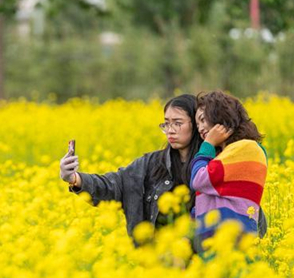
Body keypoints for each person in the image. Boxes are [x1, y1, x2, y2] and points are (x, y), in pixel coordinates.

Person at [59, 94, 203, 241]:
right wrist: (74, 178)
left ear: (197, 125)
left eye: (178, 123)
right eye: (166, 124)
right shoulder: (151, 164)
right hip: (153, 258)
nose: (170, 130)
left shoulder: (210, 167)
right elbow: (115, 185)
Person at [190, 91, 268, 254]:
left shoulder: (247, 148)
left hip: (233, 243)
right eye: (197, 125)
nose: (200, 129)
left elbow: (198, 179)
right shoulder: (222, 157)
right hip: (214, 247)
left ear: (220, 115)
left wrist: (207, 145)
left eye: (203, 120)